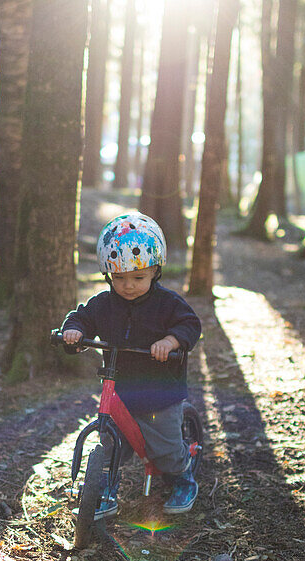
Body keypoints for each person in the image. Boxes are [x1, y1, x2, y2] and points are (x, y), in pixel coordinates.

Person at [61, 212, 201, 519]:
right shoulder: (104, 303)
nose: (128, 286)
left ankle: (182, 478)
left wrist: (171, 341)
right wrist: (74, 331)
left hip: (160, 393)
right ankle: (105, 489)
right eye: (120, 278)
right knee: (111, 442)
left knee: (165, 448)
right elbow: (81, 316)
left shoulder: (167, 303)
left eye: (138, 278)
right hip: (120, 390)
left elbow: (190, 324)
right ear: (108, 275)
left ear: (155, 271)